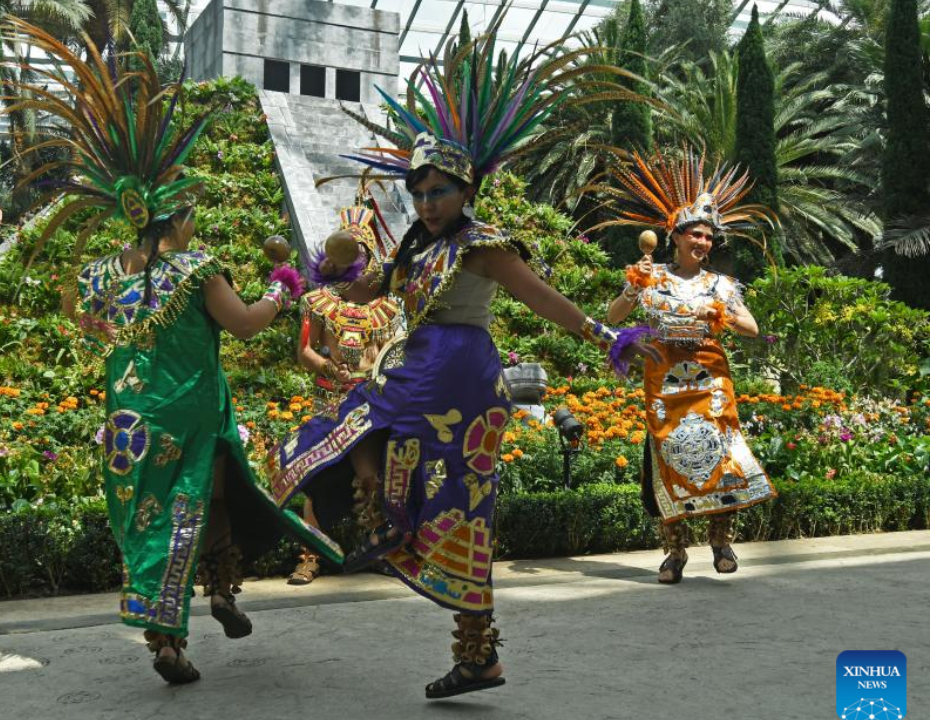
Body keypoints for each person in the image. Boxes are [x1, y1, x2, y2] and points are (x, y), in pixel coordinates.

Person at [265, 26, 659, 699]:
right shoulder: (416, 246)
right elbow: (366, 290)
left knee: (460, 512)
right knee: (339, 433)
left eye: (438, 193)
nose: (426, 204)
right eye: (418, 194)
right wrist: (314, 282)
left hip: (460, 382)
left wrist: (605, 334)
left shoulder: (483, 246)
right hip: (414, 371)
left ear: (465, 189)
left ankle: (475, 649)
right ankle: (388, 526)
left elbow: (544, 300)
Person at [0, 18, 342, 685]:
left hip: (130, 425)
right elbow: (249, 325)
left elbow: (85, 324)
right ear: (175, 217)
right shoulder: (197, 268)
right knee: (215, 498)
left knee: (149, 525)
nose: (197, 218)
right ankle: (223, 592)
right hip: (193, 412)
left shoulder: (101, 274)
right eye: (192, 210)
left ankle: (165, 642)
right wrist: (283, 291)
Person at [599, 149, 779, 584]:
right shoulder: (651, 276)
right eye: (694, 235)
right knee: (667, 457)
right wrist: (631, 286)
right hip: (664, 382)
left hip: (710, 380)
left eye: (708, 238)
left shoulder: (722, 285)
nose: (702, 243)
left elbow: (751, 328)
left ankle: (721, 542)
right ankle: (674, 552)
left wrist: (719, 315)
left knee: (720, 457)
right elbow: (614, 318)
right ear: (674, 237)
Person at [288, 203, 403, 586]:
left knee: (370, 477)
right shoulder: (318, 302)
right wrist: (325, 366)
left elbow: (396, 352)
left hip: (368, 399)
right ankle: (310, 556)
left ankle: (376, 549)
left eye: (359, 251)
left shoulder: (388, 307)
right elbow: (305, 351)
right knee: (316, 480)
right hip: (330, 398)